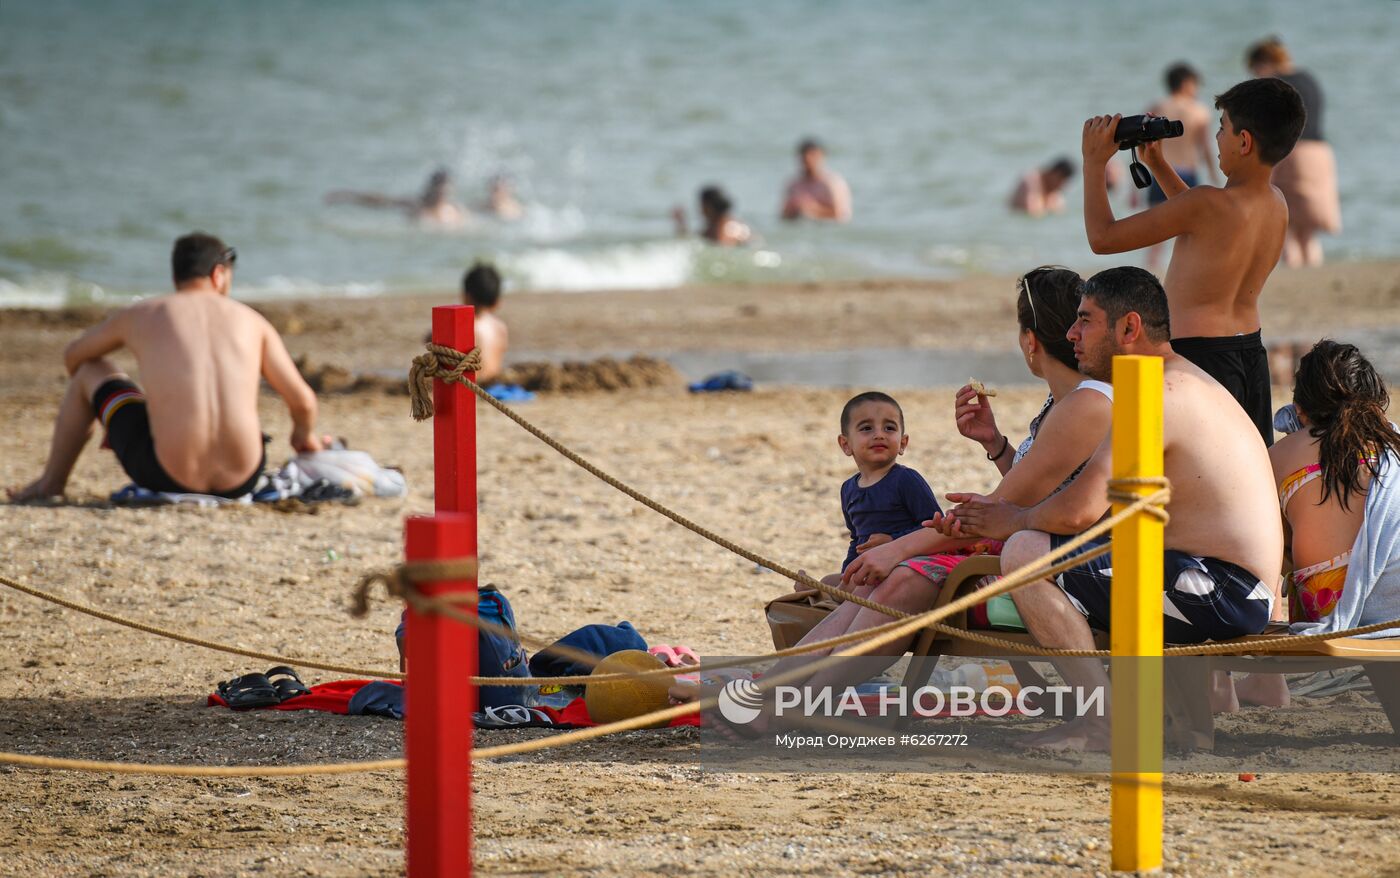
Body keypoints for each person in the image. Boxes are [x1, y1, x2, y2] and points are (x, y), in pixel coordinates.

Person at [722, 268, 1112, 711]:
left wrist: (897, 550)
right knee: (880, 580)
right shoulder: (1063, 403)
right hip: (1035, 540)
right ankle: (774, 689)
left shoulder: (1083, 405)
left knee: (903, 575)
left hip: (1060, 555)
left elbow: (1008, 507)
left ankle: (788, 702)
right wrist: (995, 444)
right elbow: (1036, 489)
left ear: (1029, 341)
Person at [945, 267, 1282, 750]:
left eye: (1085, 320)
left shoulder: (1153, 397)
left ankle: (1103, 721)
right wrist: (1000, 452)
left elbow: (1077, 512)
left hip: (1223, 591)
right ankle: (1190, 729)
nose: (1070, 334)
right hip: (1227, 584)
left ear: (1129, 328)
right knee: (1099, 545)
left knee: (1024, 551)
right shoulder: (1182, 379)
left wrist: (1012, 521)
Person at [8, 233, 328, 502]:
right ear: (219, 274)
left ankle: (51, 484)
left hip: (165, 474)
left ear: (176, 277)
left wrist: (141, 405)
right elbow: (303, 402)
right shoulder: (253, 322)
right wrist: (304, 436)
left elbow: (74, 357)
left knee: (91, 371)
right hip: (242, 478)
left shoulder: (143, 314)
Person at [1081, 77, 1306, 447]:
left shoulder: (1205, 205)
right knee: (1243, 466)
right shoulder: (1276, 203)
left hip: (1197, 358)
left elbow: (1102, 238)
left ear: (1245, 141)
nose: (1217, 138)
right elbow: (1198, 221)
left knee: (1172, 464)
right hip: (1249, 353)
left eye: (1223, 128)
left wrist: (1094, 163)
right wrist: (1157, 164)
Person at [1272, 340, 1400, 628]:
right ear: (1376, 400)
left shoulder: (1281, 454)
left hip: (1327, 597)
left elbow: (1274, 546)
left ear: (1300, 410)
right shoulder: (1393, 443)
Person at [823, 391, 942, 586]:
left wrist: (894, 541)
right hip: (869, 568)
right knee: (829, 581)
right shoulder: (848, 489)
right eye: (867, 428)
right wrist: (847, 572)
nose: (879, 434)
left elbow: (936, 528)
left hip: (904, 566)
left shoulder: (905, 480)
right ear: (846, 444)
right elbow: (857, 541)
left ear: (903, 443)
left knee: (844, 588)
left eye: (889, 428)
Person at [1247, 36, 1342, 267]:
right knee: (1308, 230)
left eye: (1255, 70)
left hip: (1292, 153)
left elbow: (1274, 126)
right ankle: (1313, 276)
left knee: (1285, 224)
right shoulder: (1308, 79)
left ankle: (1294, 271)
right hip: (1320, 153)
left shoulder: (1277, 85)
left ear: (1263, 63)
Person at [1144, 62, 1222, 270]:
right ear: (1187, 83)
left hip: (1160, 173)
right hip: (1187, 173)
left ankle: (1151, 270)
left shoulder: (1157, 107)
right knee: (1191, 231)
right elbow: (1205, 146)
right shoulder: (1199, 110)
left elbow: (1141, 143)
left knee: (1155, 233)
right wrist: (1214, 174)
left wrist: (1133, 188)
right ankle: (1190, 269)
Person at [326, 167, 467, 227]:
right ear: (431, 188)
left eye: (446, 187)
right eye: (440, 187)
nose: (443, 192)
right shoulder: (416, 205)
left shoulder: (455, 211)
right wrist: (348, 196)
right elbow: (381, 202)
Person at [780, 139, 852, 222]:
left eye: (812, 156)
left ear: (821, 156)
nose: (809, 161)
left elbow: (842, 215)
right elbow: (783, 215)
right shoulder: (793, 184)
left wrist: (813, 209)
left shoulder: (832, 183)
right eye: (804, 158)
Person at [462, 262, 509, 385]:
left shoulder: (463, 327)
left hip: (472, 385)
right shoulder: (501, 328)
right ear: (497, 301)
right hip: (493, 384)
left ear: (467, 296)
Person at [673, 186, 752, 246]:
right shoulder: (726, 223)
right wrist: (681, 224)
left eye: (701, 205)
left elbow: (723, 247)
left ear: (709, 207)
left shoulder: (723, 227)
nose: (699, 210)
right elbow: (695, 238)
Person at [1008, 157, 1075, 218]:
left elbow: (1060, 210)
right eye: (1061, 181)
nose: (1061, 186)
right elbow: (1031, 211)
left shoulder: (1053, 190)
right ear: (1054, 174)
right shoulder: (1031, 180)